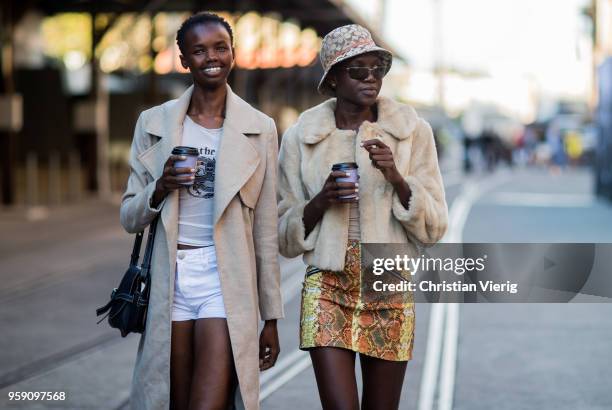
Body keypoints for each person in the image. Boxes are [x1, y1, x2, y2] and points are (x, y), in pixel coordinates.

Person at [277, 24, 448, 409]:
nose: (371, 79)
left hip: (388, 283)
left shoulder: (411, 132)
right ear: (334, 79)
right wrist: (322, 199)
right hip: (327, 285)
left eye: (377, 70)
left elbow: (434, 225)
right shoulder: (302, 136)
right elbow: (283, 234)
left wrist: (395, 176)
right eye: (358, 71)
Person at [120, 12, 283, 410]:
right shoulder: (153, 123)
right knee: (171, 398)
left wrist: (272, 319)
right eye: (199, 50)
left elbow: (265, 230)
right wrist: (160, 187)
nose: (211, 57)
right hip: (170, 278)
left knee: (209, 402)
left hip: (223, 279)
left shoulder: (260, 129)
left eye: (220, 47)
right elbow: (129, 217)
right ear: (183, 60)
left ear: (233, 53)